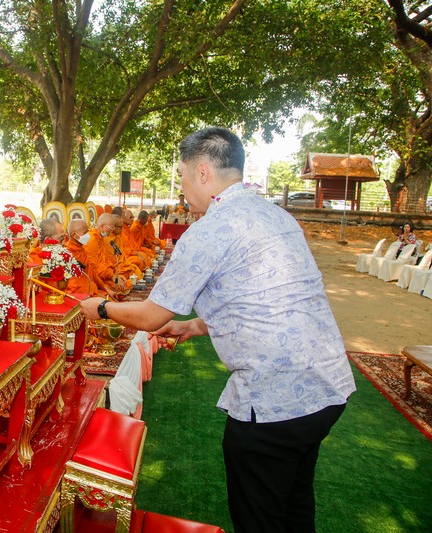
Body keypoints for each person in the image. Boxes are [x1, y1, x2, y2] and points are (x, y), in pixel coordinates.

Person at [80, 127, 355, 533]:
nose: (181, 186)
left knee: (260, 516)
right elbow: (268, 300)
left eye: (182, 175)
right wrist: (194, 325)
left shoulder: (212, 228)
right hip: (326, 386)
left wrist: (101, 308)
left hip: (276, 398)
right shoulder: (276, 215)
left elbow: (151, 316)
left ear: (203, 172)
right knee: (294, 503)